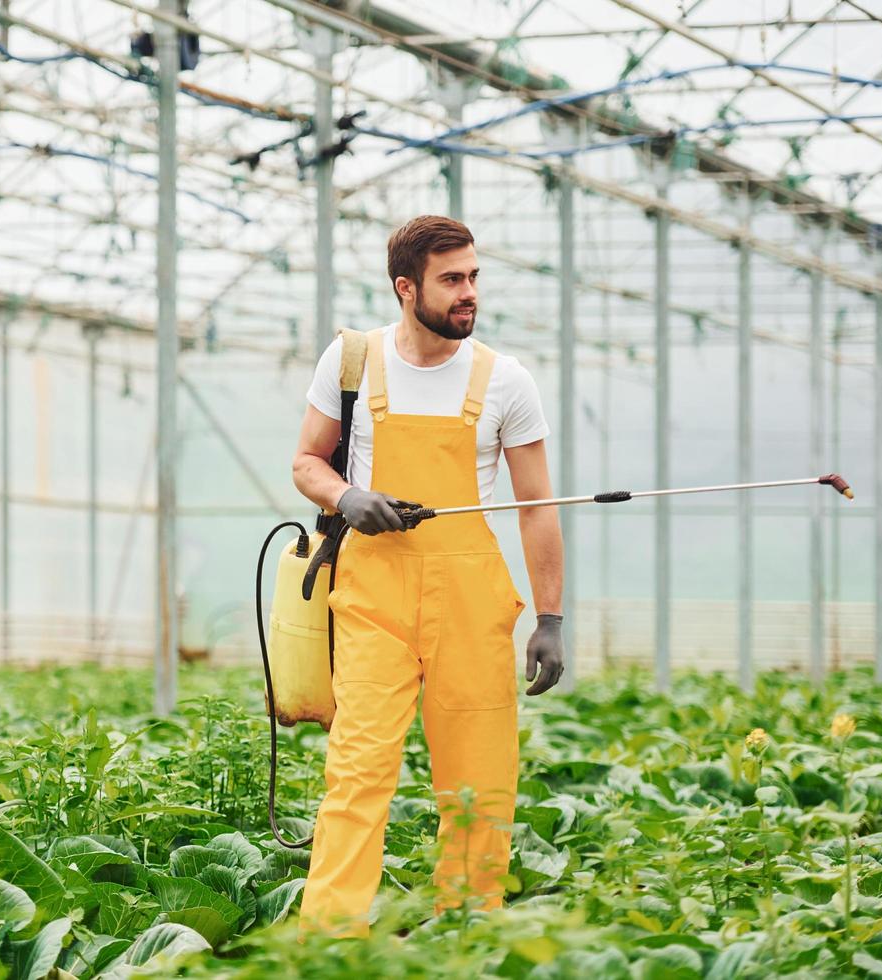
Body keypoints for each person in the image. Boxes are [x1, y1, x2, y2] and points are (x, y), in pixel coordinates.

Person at [292, 215, 565, 937]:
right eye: (452, 280)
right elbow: (306, 463)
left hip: (469, 600)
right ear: (405, 288)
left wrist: (550, 617)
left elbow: (538, 507)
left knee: (479, 780)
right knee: (356, 775)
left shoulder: (505, 380)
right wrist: (347, 497)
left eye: (473, 276)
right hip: (372, 595)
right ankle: (328, 942)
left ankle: (467, 932)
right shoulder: (351, 362)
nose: (468, 293)